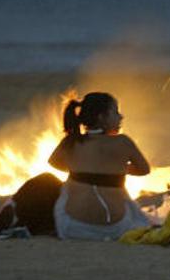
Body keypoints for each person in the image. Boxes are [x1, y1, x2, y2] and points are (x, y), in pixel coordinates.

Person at [47, 92, 151, 241]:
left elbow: (54, 162)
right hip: (116, 229)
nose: (121, 117)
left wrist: (79, 167)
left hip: (73, 228)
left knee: (65, 187)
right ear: (102, 117)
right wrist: (119, 169)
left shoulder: (71, 141)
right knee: (135, 214)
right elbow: (144, 169)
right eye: (115, 112)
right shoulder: (123, 142)